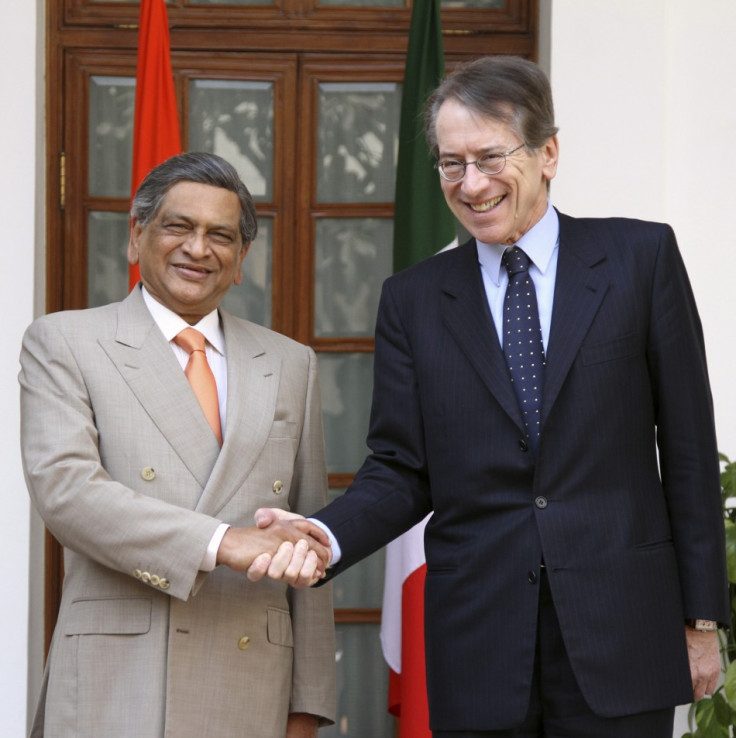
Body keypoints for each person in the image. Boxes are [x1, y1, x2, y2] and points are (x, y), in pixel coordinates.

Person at [253, 56, 729, 737]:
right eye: (451, 163)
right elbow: (400, 468)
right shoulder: (412, 300)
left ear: (548, 153)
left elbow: (685, 448)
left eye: (489, 157)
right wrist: (326, 535)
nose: (470, 184)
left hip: (623, 633)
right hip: (479, 645)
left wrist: (701, 619)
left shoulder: (640, 259)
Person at [20, 152, 335, 738]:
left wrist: (308, 704)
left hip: (253, 685)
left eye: (220, 235)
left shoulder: (292, 363)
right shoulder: (65, 341)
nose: (198, 248)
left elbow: (308, 538)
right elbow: (68, 495)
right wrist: (223, 542)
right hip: (119, 682)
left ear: (241, 261)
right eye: (178, 227)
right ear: (137, 237)